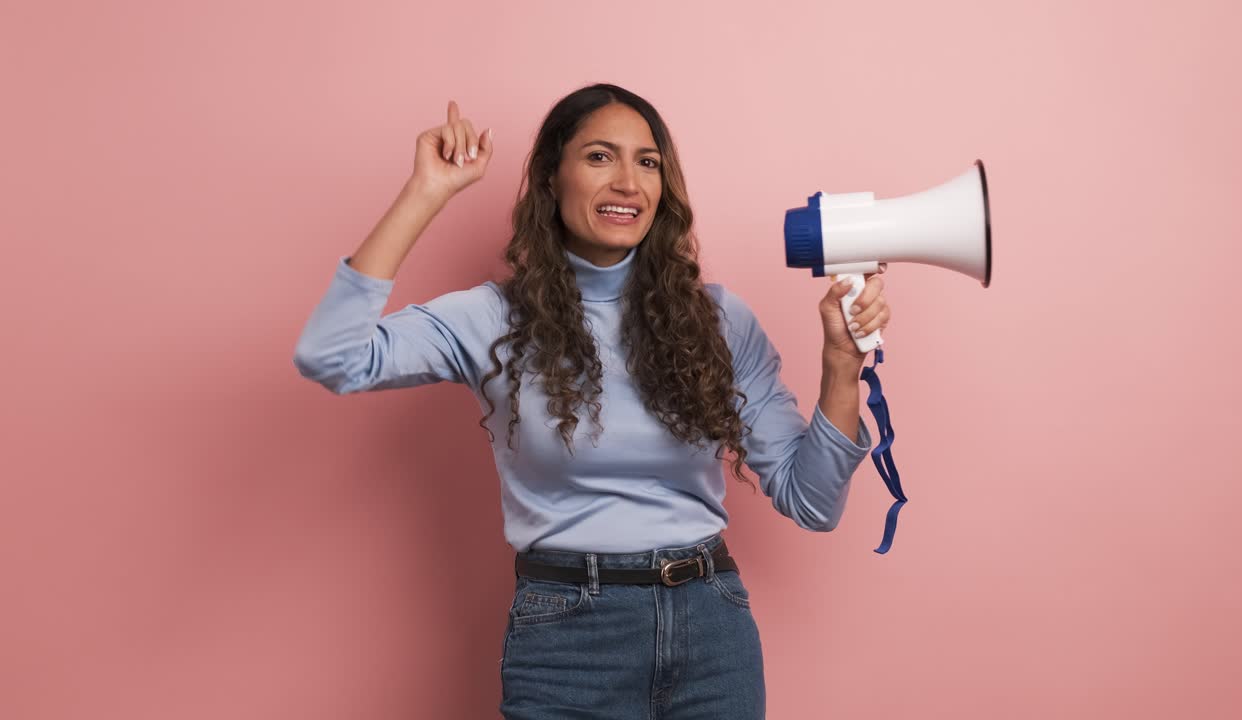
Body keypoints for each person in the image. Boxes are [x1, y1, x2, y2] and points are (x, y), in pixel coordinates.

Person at [292, 83, 891, 719]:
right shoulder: (492, 319)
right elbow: (331, 355)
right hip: (568, 642)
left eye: (647, 162)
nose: (628, 182)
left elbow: (813, 502)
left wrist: (841, 365)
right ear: (551, 179)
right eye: (600, 156)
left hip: (712, 631)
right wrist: (427, 191)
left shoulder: (717, 320)